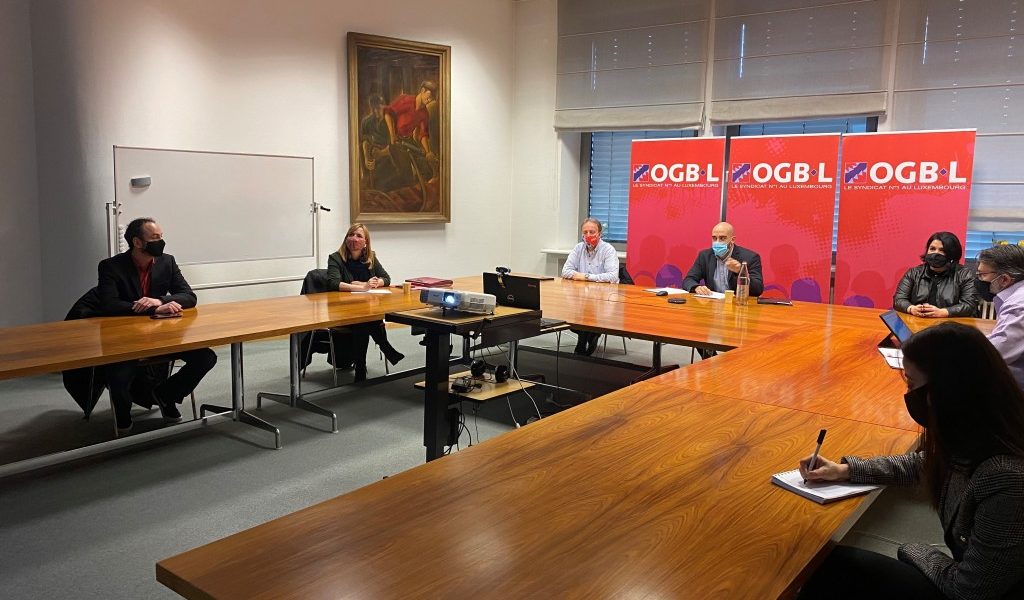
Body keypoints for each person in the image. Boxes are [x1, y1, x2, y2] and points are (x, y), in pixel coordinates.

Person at [796, 322, 1024, 600]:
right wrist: (844, 470)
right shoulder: (983, 432)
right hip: (970, 580)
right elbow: (922, 464)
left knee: (827, 569)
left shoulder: (1006, 477)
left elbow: (969, 591)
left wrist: (915, 551)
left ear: (948, 389)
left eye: (912, 384)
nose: (909, 395)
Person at [96, 217, 217, 433]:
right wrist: (153, 309)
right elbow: (108, 305)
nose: (160, 242)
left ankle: (165, 395)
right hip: (125, 337)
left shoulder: (167, 262)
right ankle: (122, 414)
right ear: (137, 242)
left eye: (161, 237)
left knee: (206, 358)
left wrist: (160, 301)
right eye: (155, 238)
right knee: (118, 374)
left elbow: (189, 296)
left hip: (163, 335)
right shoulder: (111, 267)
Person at [326, 223, 405, 381]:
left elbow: (386, 278)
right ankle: (384, 349)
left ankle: (361, 369)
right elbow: (333, 283)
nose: (354, 239)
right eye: (351, 235)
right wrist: (362, 287)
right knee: (364, 321)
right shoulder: (336, 258)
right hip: (342, 309)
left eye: (359, 236)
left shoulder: (371, 258)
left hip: (366, 308)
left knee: (364, 321)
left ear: (365, 242)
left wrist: (375, 283)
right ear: (346, 238)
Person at [561, 217, 619, 355]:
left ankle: (584, 341)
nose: (588, 235)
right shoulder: (578, 248)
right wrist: (580, 276)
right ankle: (590, 336)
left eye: (592, 232)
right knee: (571, 314)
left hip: (604, 298)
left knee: (591, 315)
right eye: (585, 232)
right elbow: (565, 271)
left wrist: (586, 277)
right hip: (582, 296)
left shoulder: (608, 250)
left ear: (600, 234)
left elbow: (612, 276)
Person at [893, 232, 978, 318]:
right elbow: (899, 299)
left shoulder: (964, 275)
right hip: (918, 321)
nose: (935, 253)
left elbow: (969, 305)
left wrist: (943, 312)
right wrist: (911, 308)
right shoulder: (913, 273)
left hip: (950, 323)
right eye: (932, 249)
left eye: (942, 250)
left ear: (952, 254)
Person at [976, 244, 1024, 389]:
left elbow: (994, 354)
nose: (978, 279)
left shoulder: (1018, 306)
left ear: (1004, 279)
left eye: (982, 275)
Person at [681, 222, 764, 298]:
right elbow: (688, 280)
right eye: (714, 238)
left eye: (722, 238)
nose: (717, 242)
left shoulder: (750, 257)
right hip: (712, 303)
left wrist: (740, 272)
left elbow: (757, 290)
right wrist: (696, 287)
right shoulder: (705, 256)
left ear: (732, 240)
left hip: (737, 304)